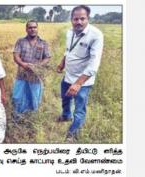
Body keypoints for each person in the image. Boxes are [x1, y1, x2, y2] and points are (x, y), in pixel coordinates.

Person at [56, 5, 104, 142]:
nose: (79, 22)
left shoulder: (96, 35)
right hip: (68, 75)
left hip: (83, 81)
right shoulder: (70, 32)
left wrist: (78, 84)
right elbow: (68, 50)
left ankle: (73, 133)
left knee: (79, 107)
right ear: (71, 20)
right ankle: (66, 116)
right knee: (65, 97)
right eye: (76, 19)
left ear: (88, 18)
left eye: (82, 19)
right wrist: (62, 63)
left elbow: (94, 64)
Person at [12, 20, 51, 121]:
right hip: (21, 75)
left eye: (34, 27)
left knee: (34, 98)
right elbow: (16, 56)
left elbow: (47, 57)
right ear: (26, 29)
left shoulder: (43, 43)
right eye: (30, 27)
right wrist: (23, 64)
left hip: (35, 77)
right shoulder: (20, 41)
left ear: (37, 29)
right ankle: (18, 116)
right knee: (18, 96)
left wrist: (37, 66)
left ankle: (32, 118)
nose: (32, 29)